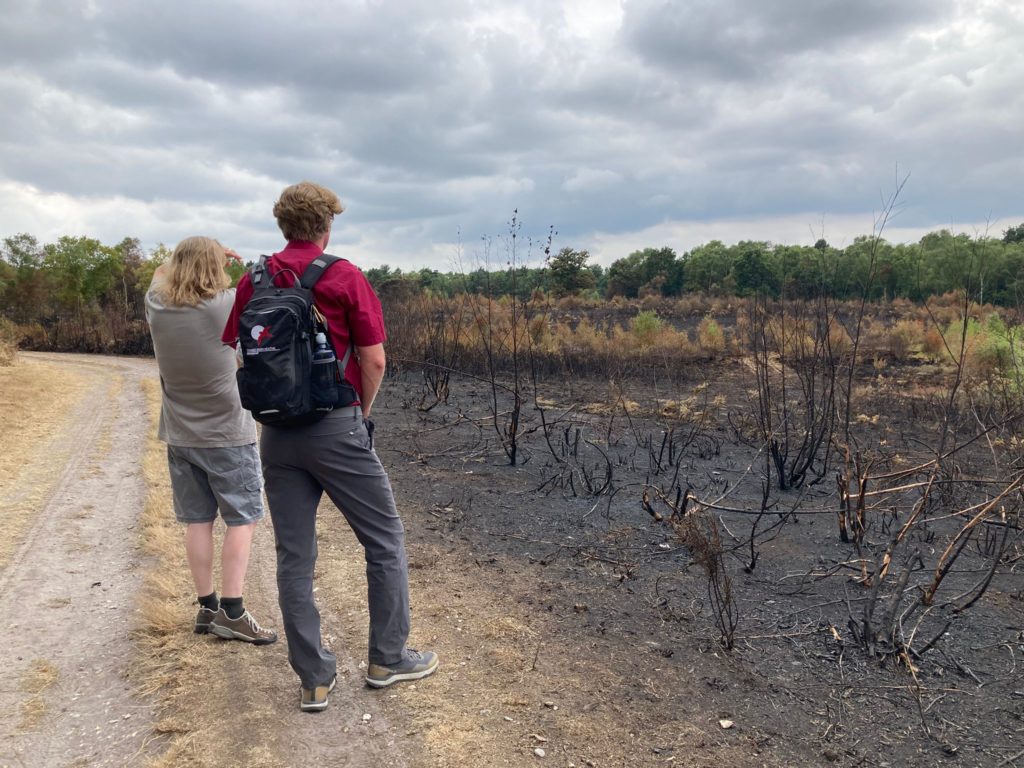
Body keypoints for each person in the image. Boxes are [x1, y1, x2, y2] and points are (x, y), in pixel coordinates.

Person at [222, 181, 438, 712]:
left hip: (276, 436)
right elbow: (375, 360)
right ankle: (388, 659)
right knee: (383, 539)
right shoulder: (343, 275)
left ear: (281, 225)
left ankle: (314, 678)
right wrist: (359, 417)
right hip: (336, 426)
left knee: (294, 554)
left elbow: (238, 349)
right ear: (326, 225)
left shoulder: (254, 280)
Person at [146, 236, 277, 646]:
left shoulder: (157, 305)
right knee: (243, 519)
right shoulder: (225, 306)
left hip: (180, 435)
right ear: (215, 267)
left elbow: (160, 275)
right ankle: (233, 612)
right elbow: (258, 285)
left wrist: (196, 255)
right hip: (227, 434)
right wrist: (228, 257)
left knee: (197, 520)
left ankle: (207, 606)